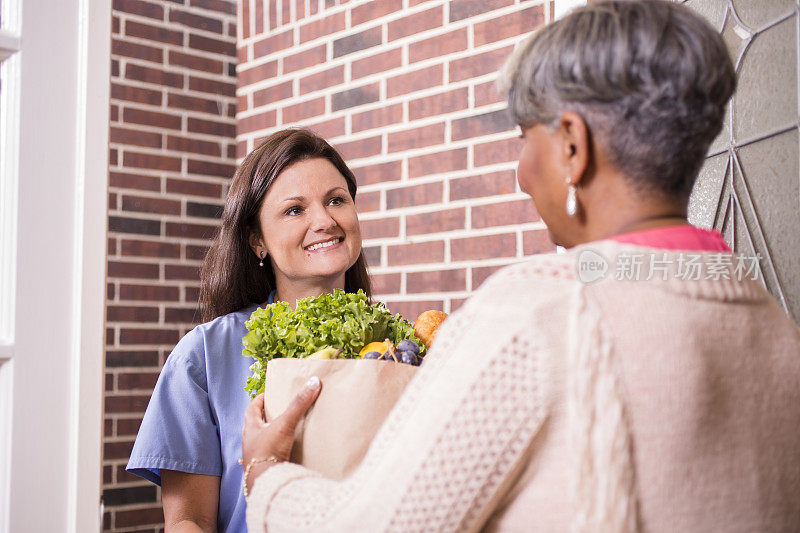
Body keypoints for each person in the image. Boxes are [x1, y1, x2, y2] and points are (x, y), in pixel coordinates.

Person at [240, 1, 800, 532]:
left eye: (526, 138)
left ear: (574, 146)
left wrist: (266, 474)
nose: (521, 173)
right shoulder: (774, 325)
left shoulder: (537, 315)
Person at [126, 128, 371, 532]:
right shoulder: (203, 356)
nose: (324, 220)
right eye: (295, 210)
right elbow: (188, 521)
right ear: (258, 240)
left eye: (336, 200)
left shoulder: (396, 349)